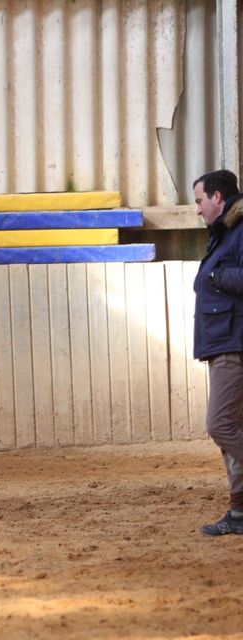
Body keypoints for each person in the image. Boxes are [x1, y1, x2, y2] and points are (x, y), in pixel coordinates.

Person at [193, 169, 243, 536]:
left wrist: (213, 278)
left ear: (218, 198)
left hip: (233, 344)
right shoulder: (225, 235)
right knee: (232, 431)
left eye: (199, 200)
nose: (197, 209)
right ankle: (240, 513)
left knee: (220, 426)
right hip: (224, 342)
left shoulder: (237, 233)